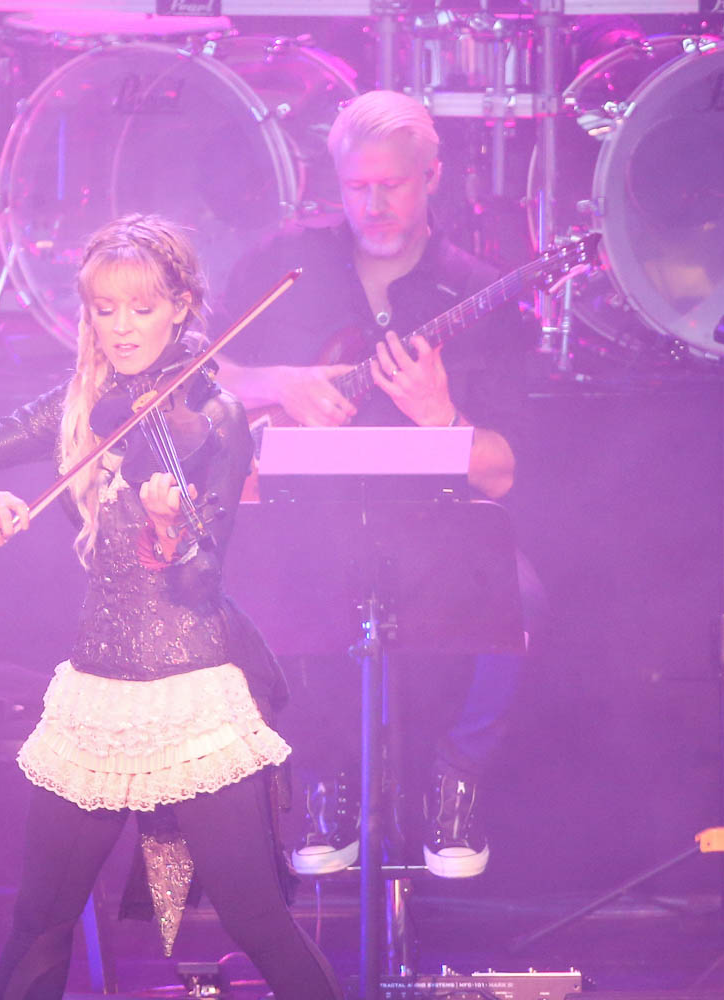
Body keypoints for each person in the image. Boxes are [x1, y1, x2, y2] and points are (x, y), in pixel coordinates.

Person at [0, 215, 344, 1000]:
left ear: (179, 309)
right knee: (39, 919)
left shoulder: (215, 415)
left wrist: (167, 533)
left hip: (191, 692)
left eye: (142, 309)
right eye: (105, 308)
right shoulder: (77, 404)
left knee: (256, 919)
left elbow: (202, 577)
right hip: (95, 694)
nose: (121, 327)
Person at [214, 89, 542, 880]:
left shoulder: (478, 291)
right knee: (233, 600)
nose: (373, 204)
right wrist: (279, 382)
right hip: (302, 521)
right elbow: (201, 372)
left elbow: (503, 472)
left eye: (391, 184)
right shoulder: (283, 264)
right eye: (356, 186)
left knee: (522, 598)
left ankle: (456, 779)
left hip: (436, 530)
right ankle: (322, 779)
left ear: (432, 176)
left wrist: (440, 416)